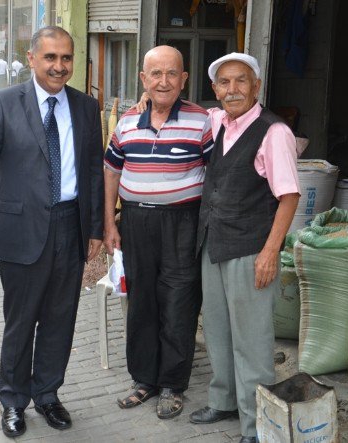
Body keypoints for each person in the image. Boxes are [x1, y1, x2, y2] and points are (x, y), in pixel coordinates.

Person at [0, 26, 104, 438]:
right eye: (50, 57)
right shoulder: (5, 102)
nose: (59, 66)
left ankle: (48, 395)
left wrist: (96, 229)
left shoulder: (87, 107)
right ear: (32, 58)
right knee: (21, 321)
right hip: (22, 230)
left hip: (70, 226)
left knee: (60, 319)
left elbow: (92, 171)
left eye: (66, 58)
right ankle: (14, 401)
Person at [188, 53, 300, 443]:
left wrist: (271, 252)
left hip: (252, 248)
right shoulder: (217, 120)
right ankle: (224, 402)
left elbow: (288, 196)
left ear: (257, 87)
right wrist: (147, 102)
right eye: (224, 83)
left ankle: (257, 424)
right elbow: (182, 109)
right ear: (215, 90)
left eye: (241, 81)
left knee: (252, 341)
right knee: (217, 330)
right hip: (214, 243)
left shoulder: (274, 132)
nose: (232, 89)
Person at [104, 45, 213, 420]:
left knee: (179, 302)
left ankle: (172, 384)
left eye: (171, 74)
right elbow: (111, 172)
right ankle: (144, 380)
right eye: (155, 74)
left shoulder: (203, 122)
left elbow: (216, 175)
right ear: (143, 79)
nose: (163, 81)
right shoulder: (126, 124)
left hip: (183, 222)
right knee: (142, 302)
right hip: (135, 222)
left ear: (184, 79)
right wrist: (109, 222)